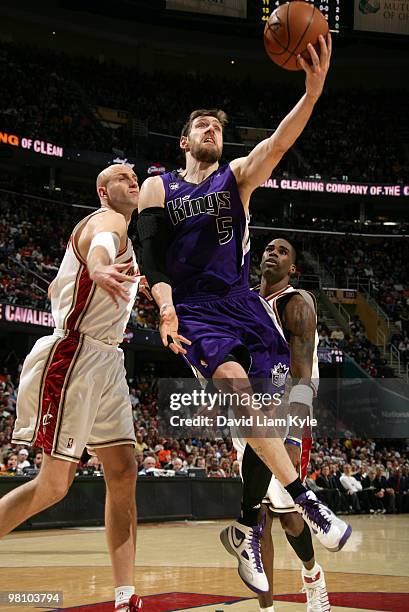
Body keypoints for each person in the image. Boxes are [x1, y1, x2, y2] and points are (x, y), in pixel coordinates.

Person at [138, 33, 351, 594]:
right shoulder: (157, 186)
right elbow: (151, 253)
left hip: (244, 307)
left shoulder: (237, 178)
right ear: (184, 139)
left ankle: (248, 530)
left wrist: (312, 91)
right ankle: (308, 501)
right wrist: (165, 309)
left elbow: (279, 143)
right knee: (235, 388)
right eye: (203, 126)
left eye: (219, 127)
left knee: (268, 416)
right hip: (195, 310)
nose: (213, 131)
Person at [0, 164, 143, 612]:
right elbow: (99, 245)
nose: (132, 178)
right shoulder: (107, 221)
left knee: (123, 470)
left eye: (134, 174)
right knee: (53, 485)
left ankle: (125, 596)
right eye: (122, 176)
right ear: (103, 190)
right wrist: (98, 268)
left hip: (108, 358)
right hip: (76, 356)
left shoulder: (130, 233)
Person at [236, 238, 330, 612]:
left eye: (283, 251)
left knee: (289, 515)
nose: (272, 252)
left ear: (293, 269)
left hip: (286, 416)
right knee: (257, 519)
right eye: (269, 248)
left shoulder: (297, 303)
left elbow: (303, 377)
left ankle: (313, 578)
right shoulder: (243, 302)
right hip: (250, 415)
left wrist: (293, 432)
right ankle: (267, 609)